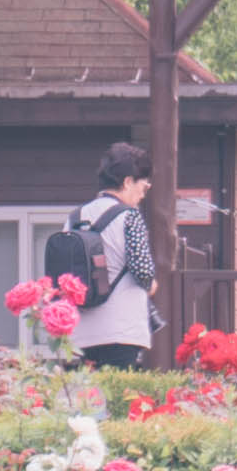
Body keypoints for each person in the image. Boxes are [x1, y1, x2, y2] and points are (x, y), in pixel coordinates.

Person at [67, 151, 162, 369]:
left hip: (82, 332)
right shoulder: (129, 216)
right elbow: (144, 271)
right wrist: (151, 285)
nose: (143, 194)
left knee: (91, 398)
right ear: (128, 182)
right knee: (119, 398)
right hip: (122, 330)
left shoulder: (75, 218)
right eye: (144, 186)